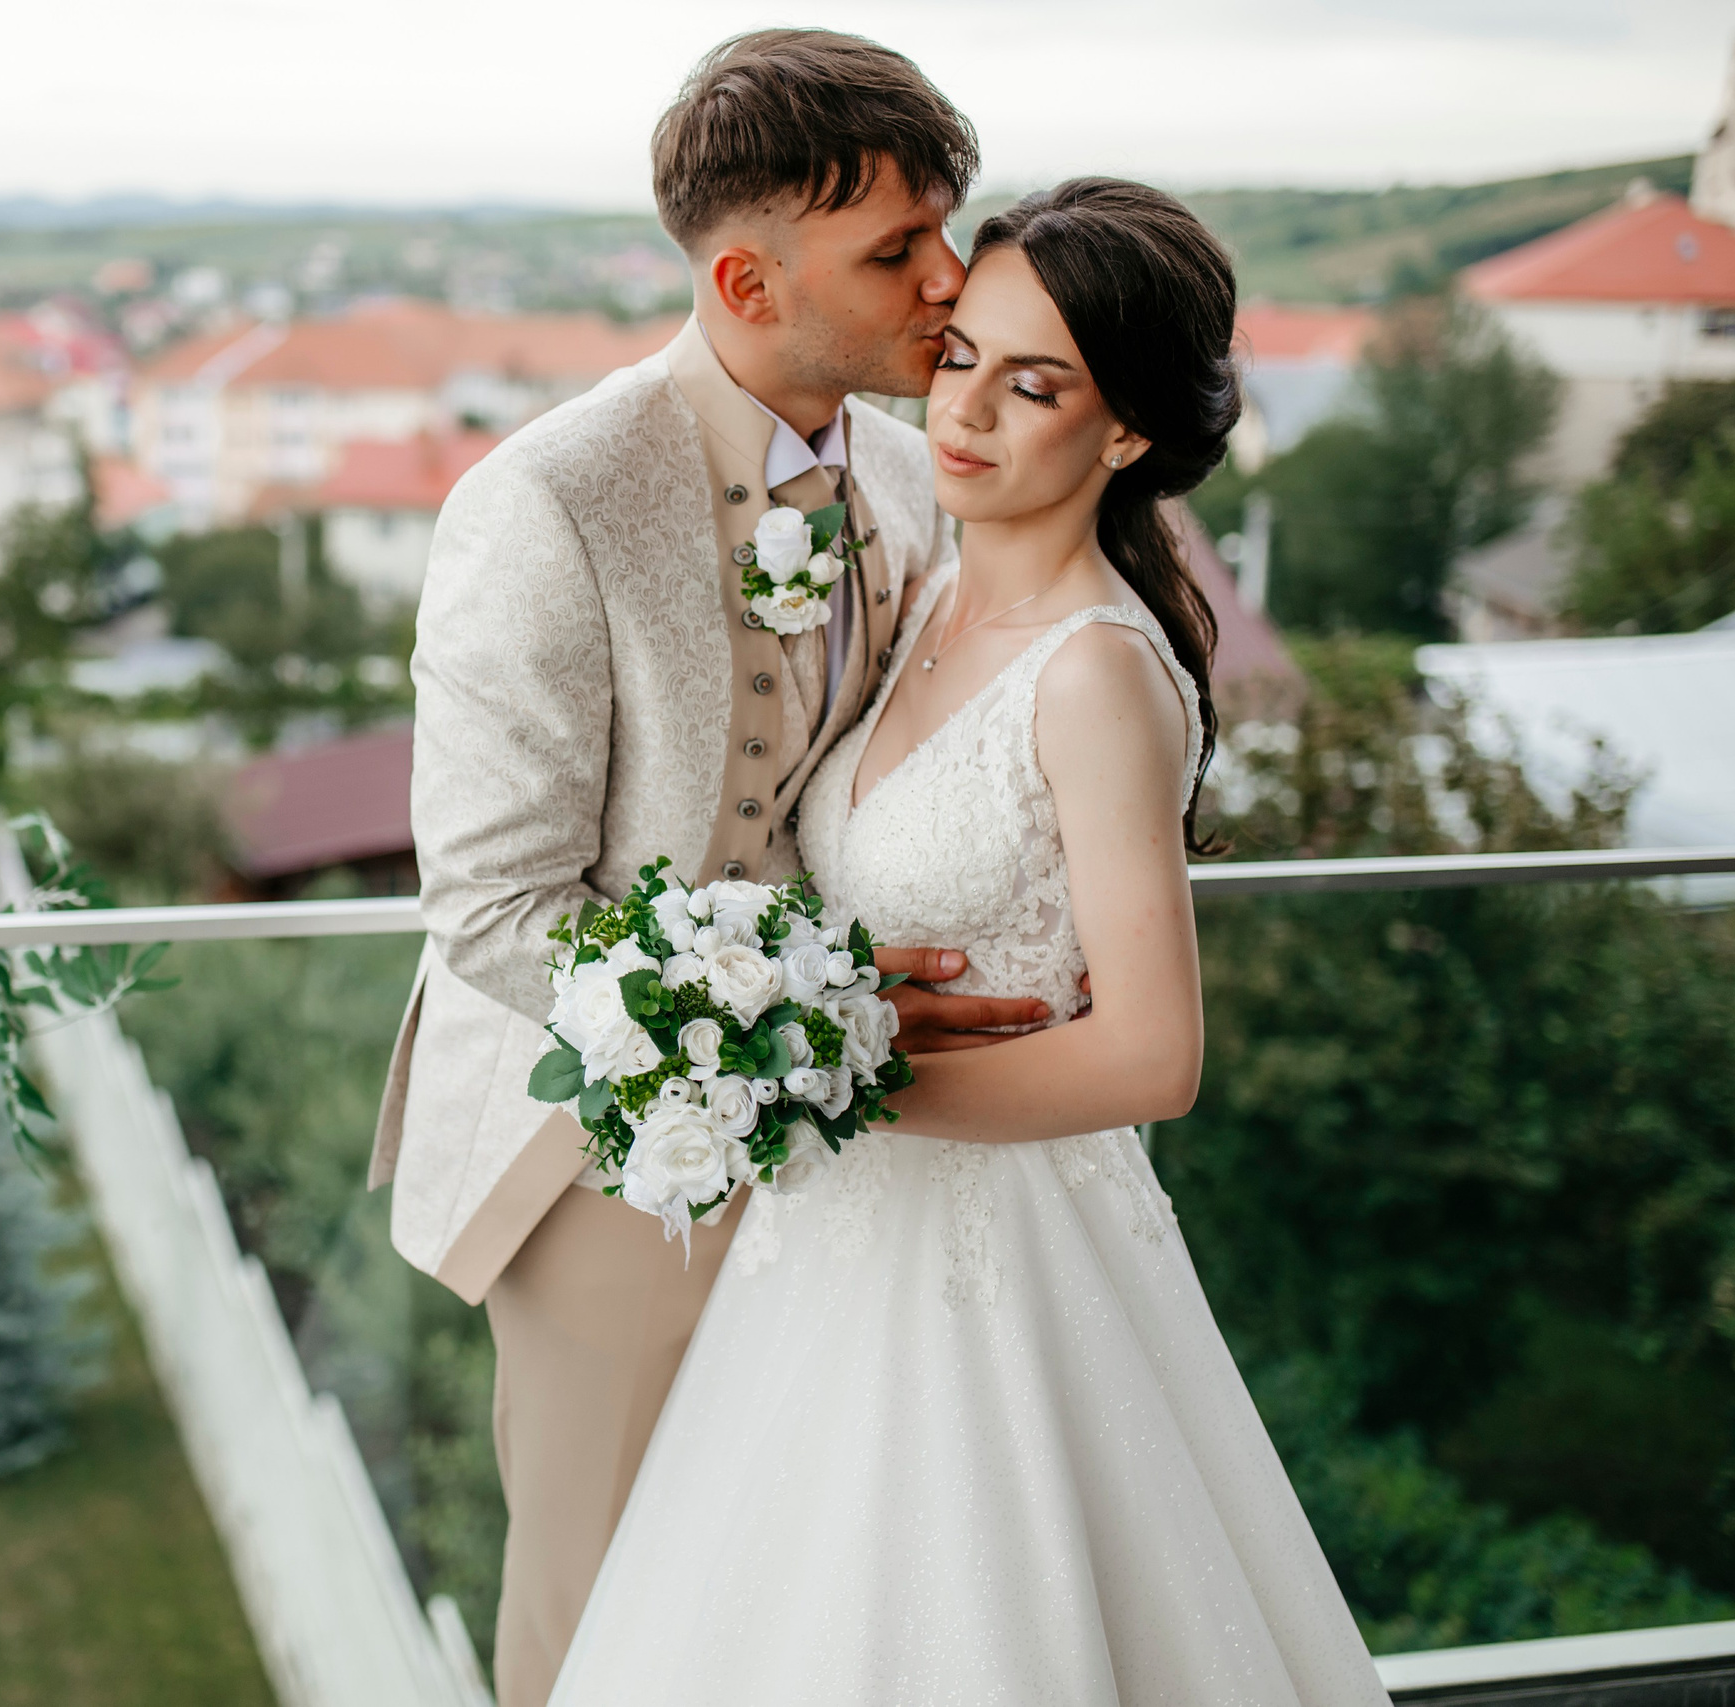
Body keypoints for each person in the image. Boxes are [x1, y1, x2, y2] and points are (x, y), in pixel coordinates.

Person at [546, 179, 1389, 1706]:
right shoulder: (917, 588)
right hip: (832, 1249)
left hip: (1002, 1270)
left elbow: (1153, 1053)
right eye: (959, 360)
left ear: (1124, 432)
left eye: (1037, 383)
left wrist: (814, 1084)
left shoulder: (1095, 677)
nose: (971, 410)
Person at [366, 30, 1055, 1707]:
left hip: (866, 1166)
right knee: (601, 1617)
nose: (950, 284)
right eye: (897, 250)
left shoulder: (908, 467)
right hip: (598, 1147)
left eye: (945, 230)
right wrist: (806, 1019)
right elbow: (497, 910)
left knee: (814, 1597)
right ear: (748, 277)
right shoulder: (545, 502)